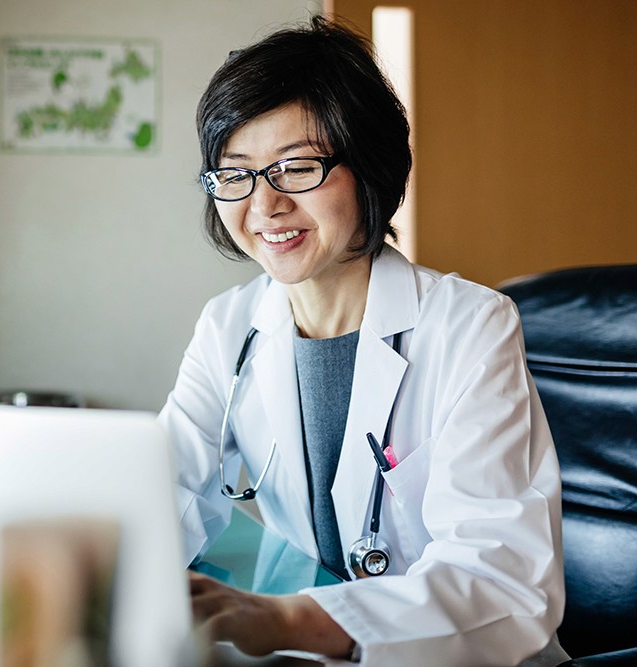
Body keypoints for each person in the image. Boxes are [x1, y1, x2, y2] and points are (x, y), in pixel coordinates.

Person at [157, 17, 568, 666]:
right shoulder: (228, 326)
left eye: (296, 168)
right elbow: (162, 494)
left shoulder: (470, 325)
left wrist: (291, 617)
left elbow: (502, 582)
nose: (264, 207)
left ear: (368, 166)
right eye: (236, 174)